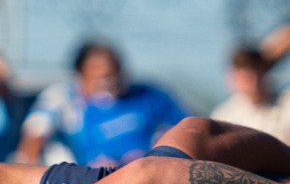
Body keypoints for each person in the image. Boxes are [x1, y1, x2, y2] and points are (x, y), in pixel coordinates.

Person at [17, 42, 189, 167]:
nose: (110, 81)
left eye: (115, 72)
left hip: (146, 172)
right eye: (101, 75)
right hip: (91, 181)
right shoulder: (63, 98)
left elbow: (188, 127)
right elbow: (34, 136)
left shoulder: (149, 96)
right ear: (81, 73)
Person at [209, 48, 290, 149]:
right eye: (247, 78)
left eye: (259, 77)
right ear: (233, 77)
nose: (254, 85)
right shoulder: (223, 114)